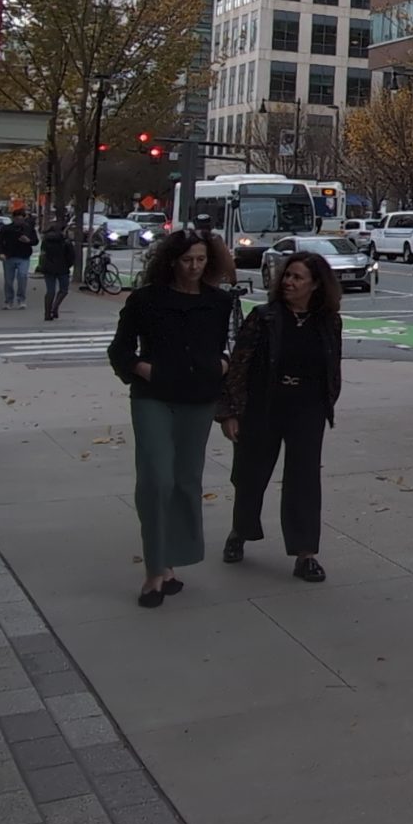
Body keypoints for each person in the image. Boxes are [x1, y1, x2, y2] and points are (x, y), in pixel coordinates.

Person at [107, 231, 237, 608]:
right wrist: (143, 369)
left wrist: (222, 365)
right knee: (156, 479)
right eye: (186, 260)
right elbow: (119, 349)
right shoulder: (146, 300)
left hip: (199, 399)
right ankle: (154, 569)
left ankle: (170, 563)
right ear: (171, 261)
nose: (194, 267)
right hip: (154, 397)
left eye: (200, 260)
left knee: (184, 482)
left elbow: (232, 344)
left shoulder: (219, 302)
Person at [219, 251, 343, 582]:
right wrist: (230, 412)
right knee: (250, 475)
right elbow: (238, 366)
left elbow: (333, 364)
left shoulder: (328, 321)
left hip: (307, 408)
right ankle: (240, 532)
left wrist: (327, 400)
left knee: (304, 480)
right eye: (287, 276)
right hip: (264, 405)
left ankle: (305, 554)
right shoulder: (265, 317)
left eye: (297, 277)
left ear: (316, 285)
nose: (289, 282)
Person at [0, 210, 37, 310]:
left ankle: (21, 299)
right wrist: (1, 253)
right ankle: (9, 300)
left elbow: (35, 241)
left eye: (21, 219)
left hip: (24, 256)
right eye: (17, 219)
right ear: (13, 218)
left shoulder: (28, 229)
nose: (19, 221)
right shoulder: (6, 229)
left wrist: (29, 241)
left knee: (22, 277)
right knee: (8, 280)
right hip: (9, 256)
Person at [36, 219, 76, 321]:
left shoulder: (46, 240)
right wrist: (68, 265)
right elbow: (71, 256)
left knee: (50, 291)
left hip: (48, 268)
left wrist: (42, 266)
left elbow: (43, 254)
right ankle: (55, 307)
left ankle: (47, 313)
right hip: (62, 268)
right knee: (63, 290)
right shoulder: (65, 241)